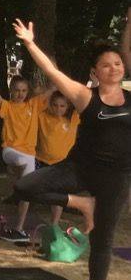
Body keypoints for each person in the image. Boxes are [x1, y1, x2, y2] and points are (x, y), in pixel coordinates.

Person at [10, 24, 130, 280]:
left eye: (117, 63)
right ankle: (82, 203)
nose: (113, 68)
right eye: (105, 65)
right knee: (24, 187)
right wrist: (30, 43)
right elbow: (53, 73)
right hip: (80, 169)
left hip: (117, 178)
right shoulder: (85, 97)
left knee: (104, 236)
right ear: (95, 72)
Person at [0, 57, 48, 243]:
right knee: (25, 169)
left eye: (24, 91)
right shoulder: (8, 107)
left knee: (27, 190)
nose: (20, 94)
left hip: (28, 155)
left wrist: (51, 68)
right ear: (11, 91)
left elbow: (52, 92)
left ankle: (19, 228)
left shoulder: (33, 106)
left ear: (28, 92)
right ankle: (18, 178)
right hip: (10, 152)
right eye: (17, 91)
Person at [35, 91, 80, 225]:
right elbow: (38, 102)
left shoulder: (72, 120)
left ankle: (54, 224)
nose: (58, 109)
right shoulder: (42, 116)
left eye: (62, 106)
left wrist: (95, 83)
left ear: (67, 107)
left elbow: (85, 102)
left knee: (58, 195)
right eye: (55, 105)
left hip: (62, 164)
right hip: (43, 161)